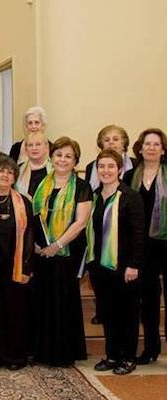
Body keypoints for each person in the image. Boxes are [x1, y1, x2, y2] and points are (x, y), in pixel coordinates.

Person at [31, 137, 90, 366]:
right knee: (43, 300)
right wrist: (36, 244)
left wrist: (57, 246)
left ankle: (63, 352)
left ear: (75, 161)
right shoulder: (42, 183)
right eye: (59, 155)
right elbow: (34, 216)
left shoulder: (82, 187)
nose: (62, 160)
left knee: (63, 301)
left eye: (68, 156)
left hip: (67, 253)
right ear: (51, 157)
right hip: (41, 253)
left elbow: (81, 222)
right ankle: (42, 351)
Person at [86, 149, 145, 375]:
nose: (106, 171)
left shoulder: (130, 197)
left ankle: (128, 357)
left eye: (111, 166)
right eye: (102, 166)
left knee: (127, 313)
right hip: (100, 267)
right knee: (108, 313)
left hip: (125, 267)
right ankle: (112, 355)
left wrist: (134, 265)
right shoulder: (94, 197)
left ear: (120, 169)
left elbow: (138, 234)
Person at [0, 156, 35, 370]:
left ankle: (15, 356)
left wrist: (28, 266)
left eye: (10, 172)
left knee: (14, 311)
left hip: (15, 265)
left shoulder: (24, 202)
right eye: (0, 171)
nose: (5, 175)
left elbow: (30, 235)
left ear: (14, 177)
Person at [122, 128, 167, 365]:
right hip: (143, 247)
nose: (151, 148)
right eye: (147, 144)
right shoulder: (131, 177)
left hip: (166, 243)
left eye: (156, 144)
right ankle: (151, 348)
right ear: (139, 148)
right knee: (148, 300)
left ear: (163, 149)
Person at [85, 124, 136, 191]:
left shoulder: (136, 165)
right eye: (107, 140)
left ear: (124, 144)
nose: (111, 142)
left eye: (115, 139)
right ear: (101, 146)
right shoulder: (91, 167)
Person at [15, 132, 51, 196]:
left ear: (46, 147)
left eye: (38, 144)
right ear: (26, 149)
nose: (34, 148)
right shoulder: (18, 170)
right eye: (30, 145)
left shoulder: (55, 169)